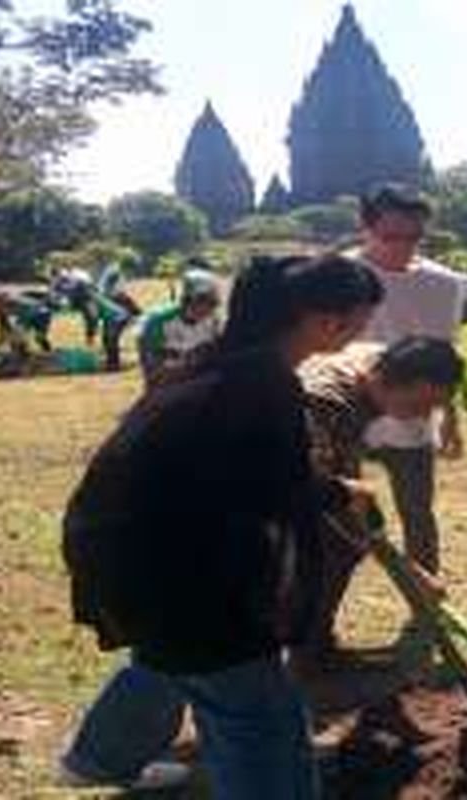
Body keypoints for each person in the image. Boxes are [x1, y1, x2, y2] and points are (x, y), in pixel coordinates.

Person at [59, 254, 384, 798]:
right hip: (173, 570)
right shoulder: (261, 386)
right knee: (259, 717)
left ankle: (99, 760)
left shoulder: (225, 361)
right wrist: (338, 492)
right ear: (326, 321)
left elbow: (242, 475)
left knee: (168, 663)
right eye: (362, 320)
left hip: (130, 554)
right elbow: (272, 490)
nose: (363, 333)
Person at [296, 338, 465, 663]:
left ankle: (313, 645)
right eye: (425, 403)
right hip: (263, 481)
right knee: (329, 546)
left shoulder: (374, 364)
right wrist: (412, 572)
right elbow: (325, 494)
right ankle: (303, 655)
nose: (425, 414)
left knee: (345, 541)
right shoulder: (327, 404)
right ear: (406, 384)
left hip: (316, 467)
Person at [351, 184, 467, 577]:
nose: (403, 247)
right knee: (338, 521)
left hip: (411, 420)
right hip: (346, 414)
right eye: (390, 236)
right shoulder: (343, 276)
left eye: (413, 237)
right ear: (366, 228)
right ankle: (316, 616)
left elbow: (443, 359)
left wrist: (451, 421)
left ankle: (427, 606)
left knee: (417, 514)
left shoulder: (443, 285)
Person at [136, 266, 222, 389]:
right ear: (187, 299)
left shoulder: (213, 323)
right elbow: (153, 372)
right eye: (202, 301)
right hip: (167, 386)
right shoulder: (159, 322)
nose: (208, 308)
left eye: (213, 303)